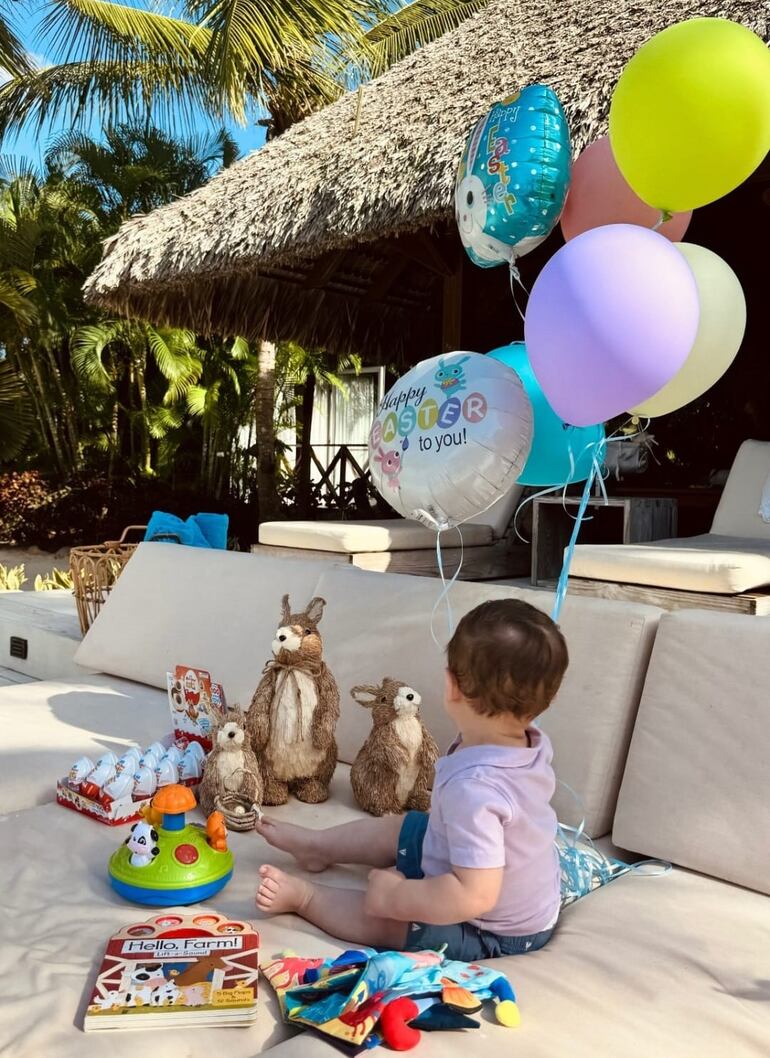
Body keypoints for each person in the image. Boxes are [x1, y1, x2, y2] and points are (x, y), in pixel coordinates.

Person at [254, 598, 568, 960]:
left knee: (391, 922)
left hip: (492, 927)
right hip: (474, 867)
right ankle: (318, 847)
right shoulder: (525, 742)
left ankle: (306, 898)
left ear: (451, 686)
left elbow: (475, 895)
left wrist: (397, 898)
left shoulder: (476, 791)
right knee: (403, 827)